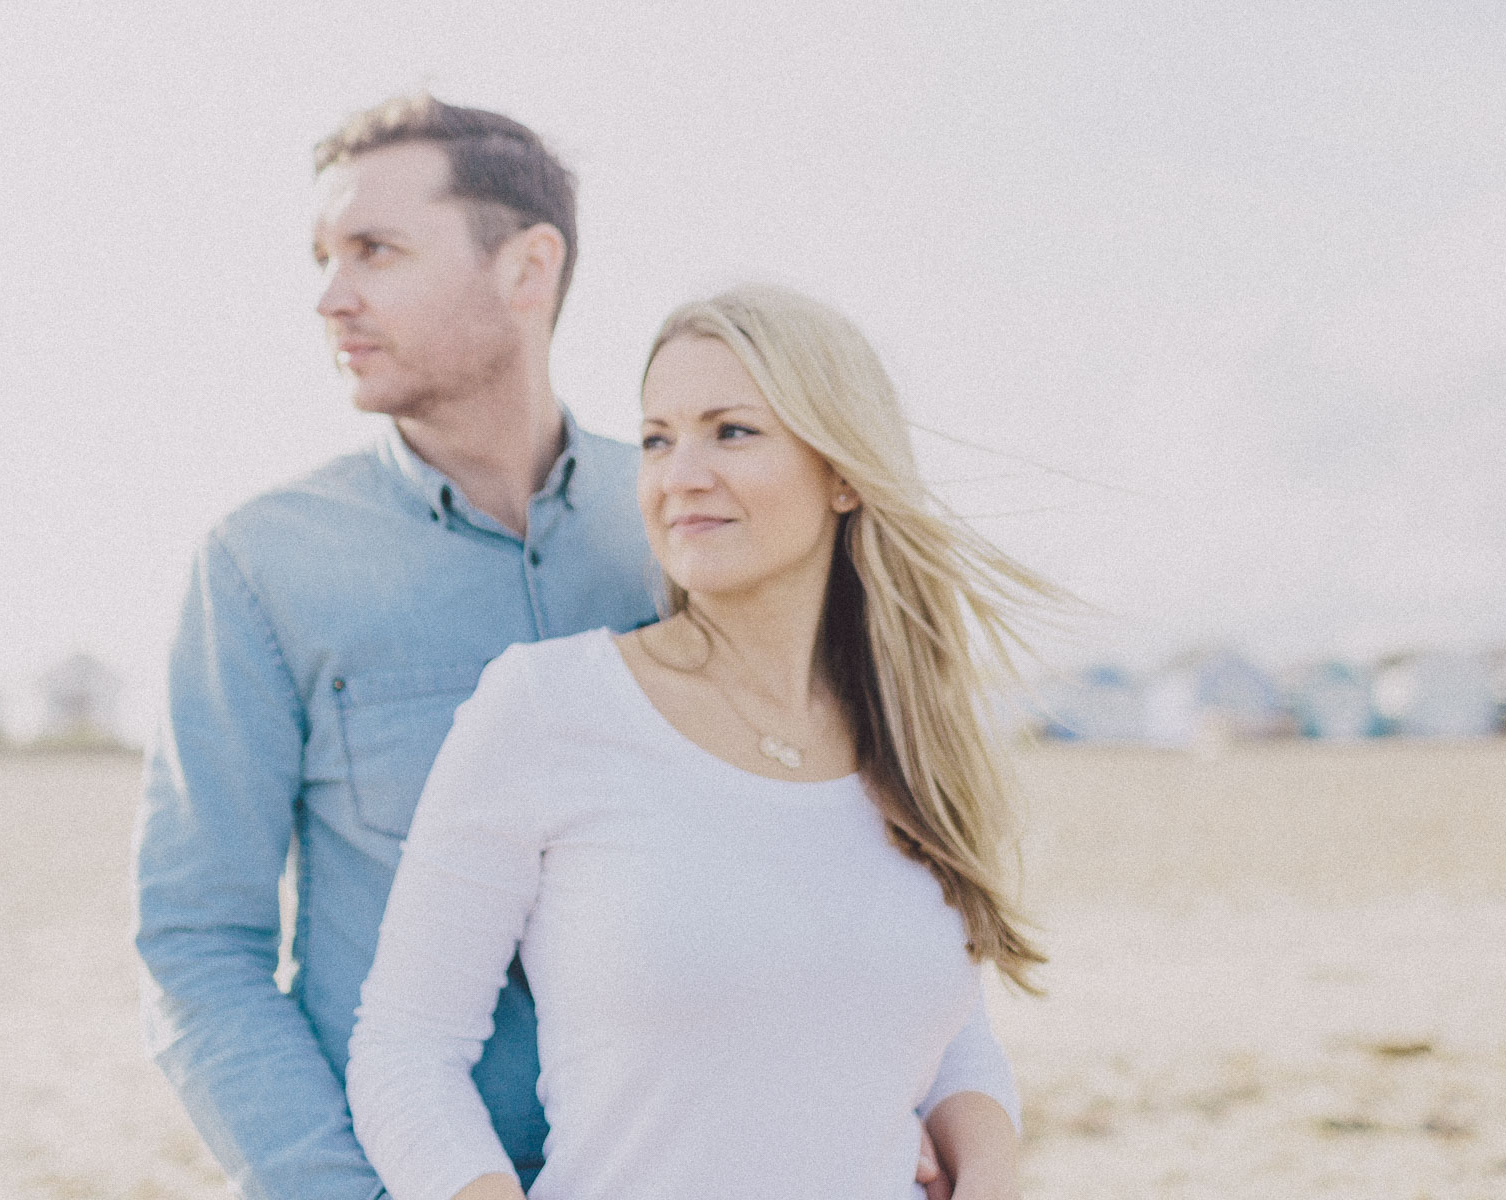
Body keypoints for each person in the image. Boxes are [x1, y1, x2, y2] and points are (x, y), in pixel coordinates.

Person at [132, 96, 1016, 1200]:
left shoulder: (697, 525)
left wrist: (912, 1117)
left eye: (375, 251)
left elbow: (852, 891)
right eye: (323, 257)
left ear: (528, 268)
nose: (331, 296)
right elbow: (197, 946)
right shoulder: (266, 567)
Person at [345, 283, 1051, 1200]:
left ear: (843, 471)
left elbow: (947, 1043)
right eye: (656, 438)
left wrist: (990, 1173)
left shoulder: (913, 739)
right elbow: (405, 1051)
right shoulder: (549, 708)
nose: (680, 474)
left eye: (732, 431)